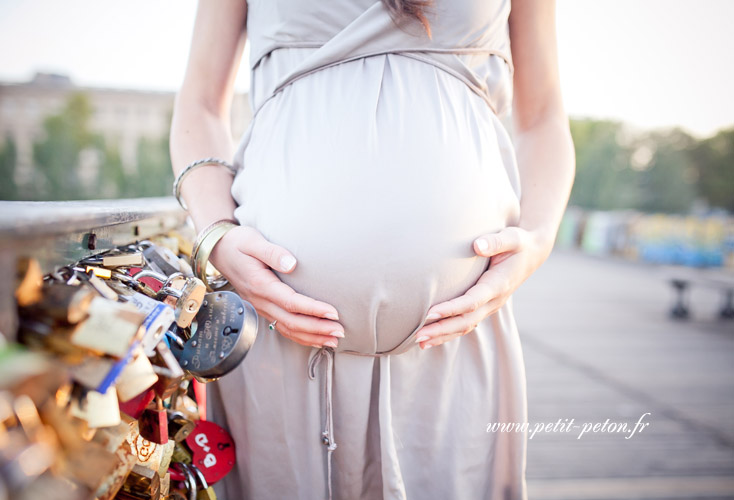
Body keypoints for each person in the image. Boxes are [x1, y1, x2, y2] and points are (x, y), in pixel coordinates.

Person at [169, 0, 575, 498]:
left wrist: (537, 238)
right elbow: (200, 104)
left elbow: (544, 117)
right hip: (276, 334)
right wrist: (216, 234)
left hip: (453, 337)